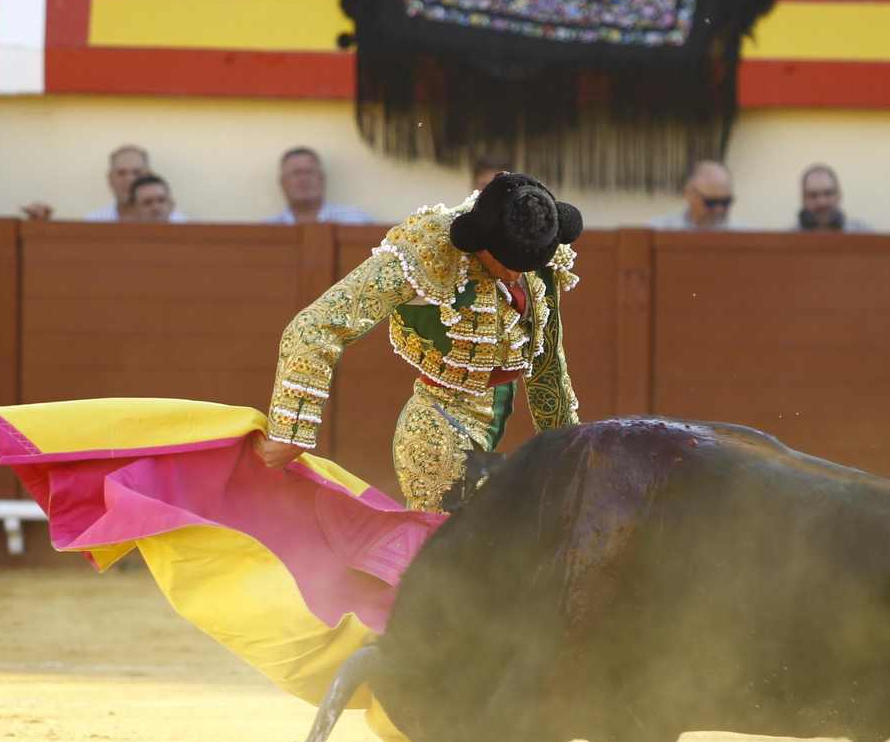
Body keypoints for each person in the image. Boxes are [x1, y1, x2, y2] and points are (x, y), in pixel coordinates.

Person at [252, 172, 583, 512]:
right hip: (439, 420)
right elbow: (316, 325)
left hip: (494, 418)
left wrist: (568, 449)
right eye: (508, 264)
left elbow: (545, 363)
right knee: (461, 544)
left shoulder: (539, 234)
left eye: (526, 266)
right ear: (480, 240)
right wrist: (290, 432)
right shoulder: (425, 250)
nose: (516, 275)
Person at [76, 145, 189, 223]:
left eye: (137, 172)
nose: (130, 180)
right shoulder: (93, 222)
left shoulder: (177, 222)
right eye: (122, 173)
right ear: (110, 179)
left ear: (149, 175)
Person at [263, 148, 372, 225]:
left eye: (310, 172)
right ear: (282, 183)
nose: (304, 179)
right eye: (296, 173)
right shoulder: (268, 228)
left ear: (322, 178)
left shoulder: (356, 219)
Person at [649, 160, 751, 231]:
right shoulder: (660, 230)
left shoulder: (746, 235)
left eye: (726, 202)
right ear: (688, 193)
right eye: (710, 202)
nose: (719, 209)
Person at [792, 163, 873, 232]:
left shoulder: (863, 233)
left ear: (839, 195)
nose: (821, 202)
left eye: (828, 193)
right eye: (813, 195)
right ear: (803, 198)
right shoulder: (787, 240)